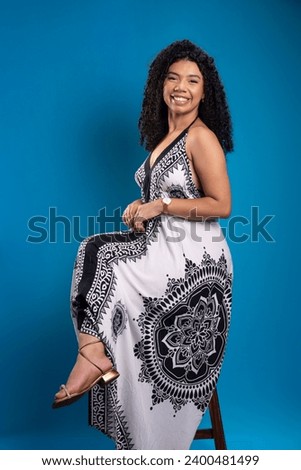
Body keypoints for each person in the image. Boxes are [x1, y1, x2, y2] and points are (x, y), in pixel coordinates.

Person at [52, 39, 234, 450]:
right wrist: (144, 205)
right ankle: (94, 350)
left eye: (193, 80)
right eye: (173, 78)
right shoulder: (165, 139)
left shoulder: (200, 137)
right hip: (164, 251)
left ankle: (93, 354)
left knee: (100, 252)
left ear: (206, 92)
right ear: (160, 85)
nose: (181, 87)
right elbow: (166, 198)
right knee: (94, 250)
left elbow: (221, 204)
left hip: (196, 262)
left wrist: (162, 205)